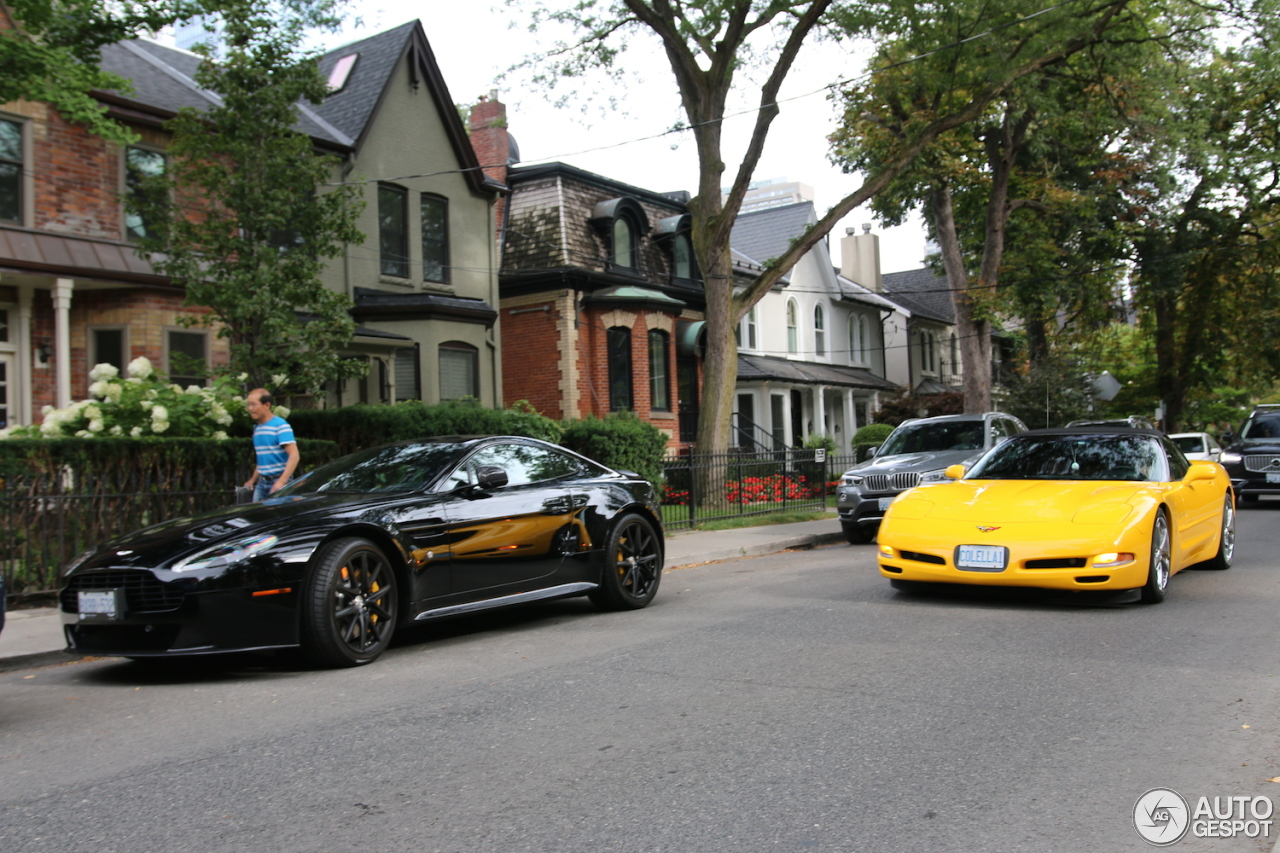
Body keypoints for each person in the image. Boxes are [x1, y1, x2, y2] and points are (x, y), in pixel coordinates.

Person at [243, 388, 299, 501]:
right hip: (262, 483)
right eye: (249, 404)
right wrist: (252, 480)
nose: (250, 408)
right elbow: (263, 460)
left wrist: (282, 482)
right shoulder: (257, 429)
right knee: (256, 516)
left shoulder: (281, 426)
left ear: (267, 405)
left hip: (278, 481)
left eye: (254, 405)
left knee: (275, 517)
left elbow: (294, 456)